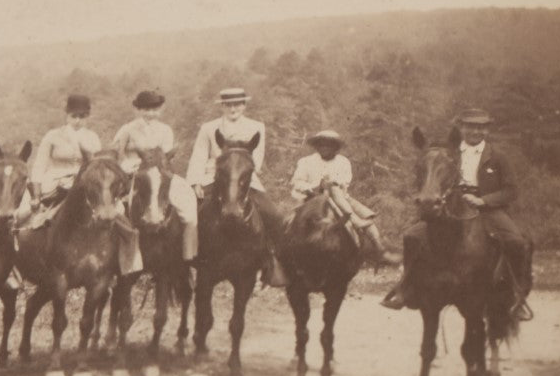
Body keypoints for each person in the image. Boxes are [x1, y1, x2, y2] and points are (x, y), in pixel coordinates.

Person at [381, 108, 533, 319]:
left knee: (516, 242)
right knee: (411, 236)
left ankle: (517, 297)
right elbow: (434, 175)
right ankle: (405, 288)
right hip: (450, 206)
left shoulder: (498, 157)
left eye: (480, 127)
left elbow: (511, 190)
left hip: (487, 209)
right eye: (470, 126)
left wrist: (483, 200)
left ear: (486, 129)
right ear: (462, 128)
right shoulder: (450, 152)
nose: (475, 131)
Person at [185, 87, 285, 286]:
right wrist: (195, 181)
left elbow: (256, 157)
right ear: (222, 106)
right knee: (189, 213)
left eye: (237, 104)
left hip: (244, 178)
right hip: (213, 177)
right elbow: (199, 154)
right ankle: (186, 259)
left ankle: (271, 262)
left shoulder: (257, 127)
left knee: (274, 215)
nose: (233, 108)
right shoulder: (208, 127)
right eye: (228, 104)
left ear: (244, 105)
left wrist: (239, 169)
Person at [110, 89, 198, 262]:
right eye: (145, 109)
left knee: (187, 203)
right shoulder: (127, 129)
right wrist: (128, 166)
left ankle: (188, 254)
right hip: (133, 171)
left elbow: (165, 156)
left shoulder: (165, 130)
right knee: (116, 209)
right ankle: (121, 257)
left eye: (154, 109)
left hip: (159, 171)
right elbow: (117, 153)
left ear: (160, 110)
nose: (150, 113)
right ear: (138, 110)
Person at [288, 130, 387, 261]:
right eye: (321, 144)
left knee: (369, 222)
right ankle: (285, 256)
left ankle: (379, 249)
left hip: (340, 197)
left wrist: (332, 183)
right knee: (289, 223)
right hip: (311, 199)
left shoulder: (343, 162)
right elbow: (297, 182)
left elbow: (345, 180)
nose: (325, 147)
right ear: (317, 146)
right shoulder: (306, 162)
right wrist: (316, 186)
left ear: (335, 147)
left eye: (329, 145)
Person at [25, 94, 102, 228]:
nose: (77, 121)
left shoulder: (93, 137)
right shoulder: (53, 135)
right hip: (56, 182)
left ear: (87, 117)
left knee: (115, 210)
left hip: (85, 181)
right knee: (25, 213)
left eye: (82, 116)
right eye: (74, 116)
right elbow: (39, 165)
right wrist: (36, 195)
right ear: (67, 116)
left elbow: (98, 165)